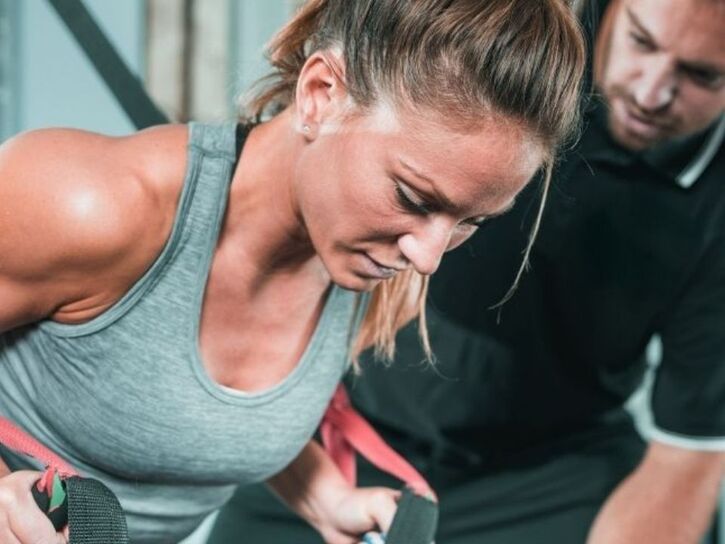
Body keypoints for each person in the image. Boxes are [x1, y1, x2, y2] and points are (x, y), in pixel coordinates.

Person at [0, 0, 586, 542]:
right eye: (413, 197)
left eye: (472, 221)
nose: (429, 256)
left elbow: (196, 419)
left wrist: (324, 495)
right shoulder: (91, 203)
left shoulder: (357, 248)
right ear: (320, 94)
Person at [208, 0, 725, 543]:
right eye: (641, 42)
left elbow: (686, 456)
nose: (651, 92)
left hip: (542, 473)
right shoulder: (523, 34)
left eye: (700, 74)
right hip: (347, 414)